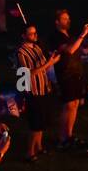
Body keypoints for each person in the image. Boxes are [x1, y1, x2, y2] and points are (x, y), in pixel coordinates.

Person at [49, 11, 88, 149]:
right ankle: (61, 138)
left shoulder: (70, 36)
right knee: (68, 105)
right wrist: (83, 34)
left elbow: (87, 50)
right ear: (57, 21)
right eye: (64, 19)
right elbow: (69, 50)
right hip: (65, 74)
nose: (67, 21)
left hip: (76, 73)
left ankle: (68, 135)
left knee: (74, 105)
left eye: (68, 18)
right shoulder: (56, 37)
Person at [16, 24, 60, 162]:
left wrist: (52, 60)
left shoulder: (37, 48)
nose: (35, 36)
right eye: (31, 34)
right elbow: (27, 74)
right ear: (23, 36)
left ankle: (39, 147)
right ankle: (29, 152)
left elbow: (44, 67)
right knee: (35, 124)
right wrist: (49, 63)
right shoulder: (21, 52)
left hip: (44, 89)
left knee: (42, 121)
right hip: (33, 92)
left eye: (35, 33)